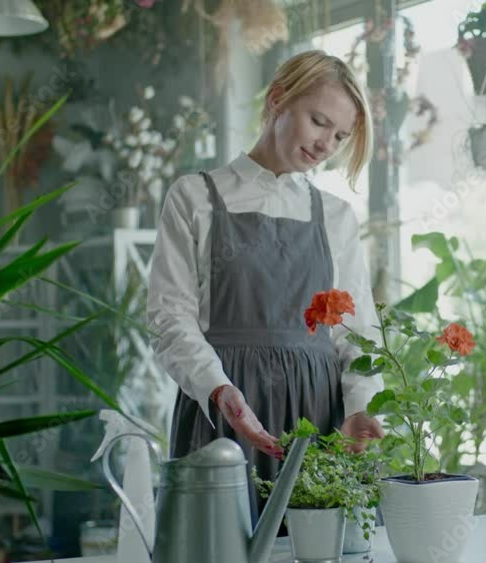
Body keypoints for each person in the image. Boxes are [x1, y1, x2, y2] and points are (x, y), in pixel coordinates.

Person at [146, 50, 384, 523]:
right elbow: (169, 317)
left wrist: (360, 407)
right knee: (217, 547)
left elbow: (357, 333)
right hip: (225, 414)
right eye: (319, 122)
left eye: (339, 136)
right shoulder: (195, 197)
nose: (325, 145)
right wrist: (219, 390)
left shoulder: (336, 217)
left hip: (318, 418)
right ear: (278, 99)